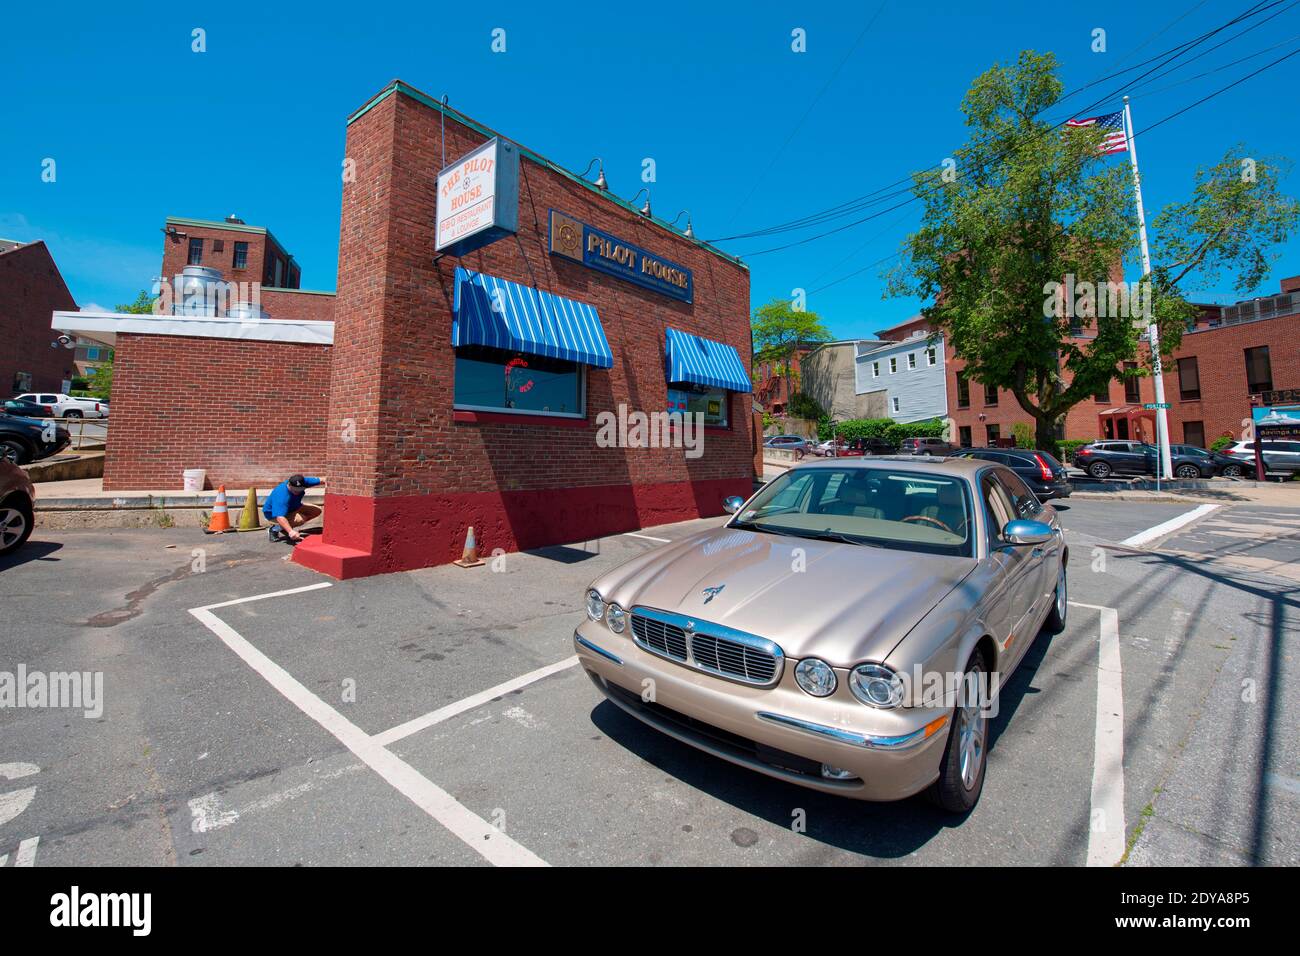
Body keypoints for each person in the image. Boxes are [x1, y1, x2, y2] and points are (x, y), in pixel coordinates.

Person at [264, 474, 323, 542]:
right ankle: (275, 529)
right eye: (295, 490)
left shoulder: (304, 481)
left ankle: (284, 528)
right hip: (273, 515)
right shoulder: (282, 495)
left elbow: (323, 480)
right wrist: (291, 532)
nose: (297, 492)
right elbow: (280, 517)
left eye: (300, 489)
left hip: (293, 507)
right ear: (289, 484)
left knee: (316, 510)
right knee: (300, 519)